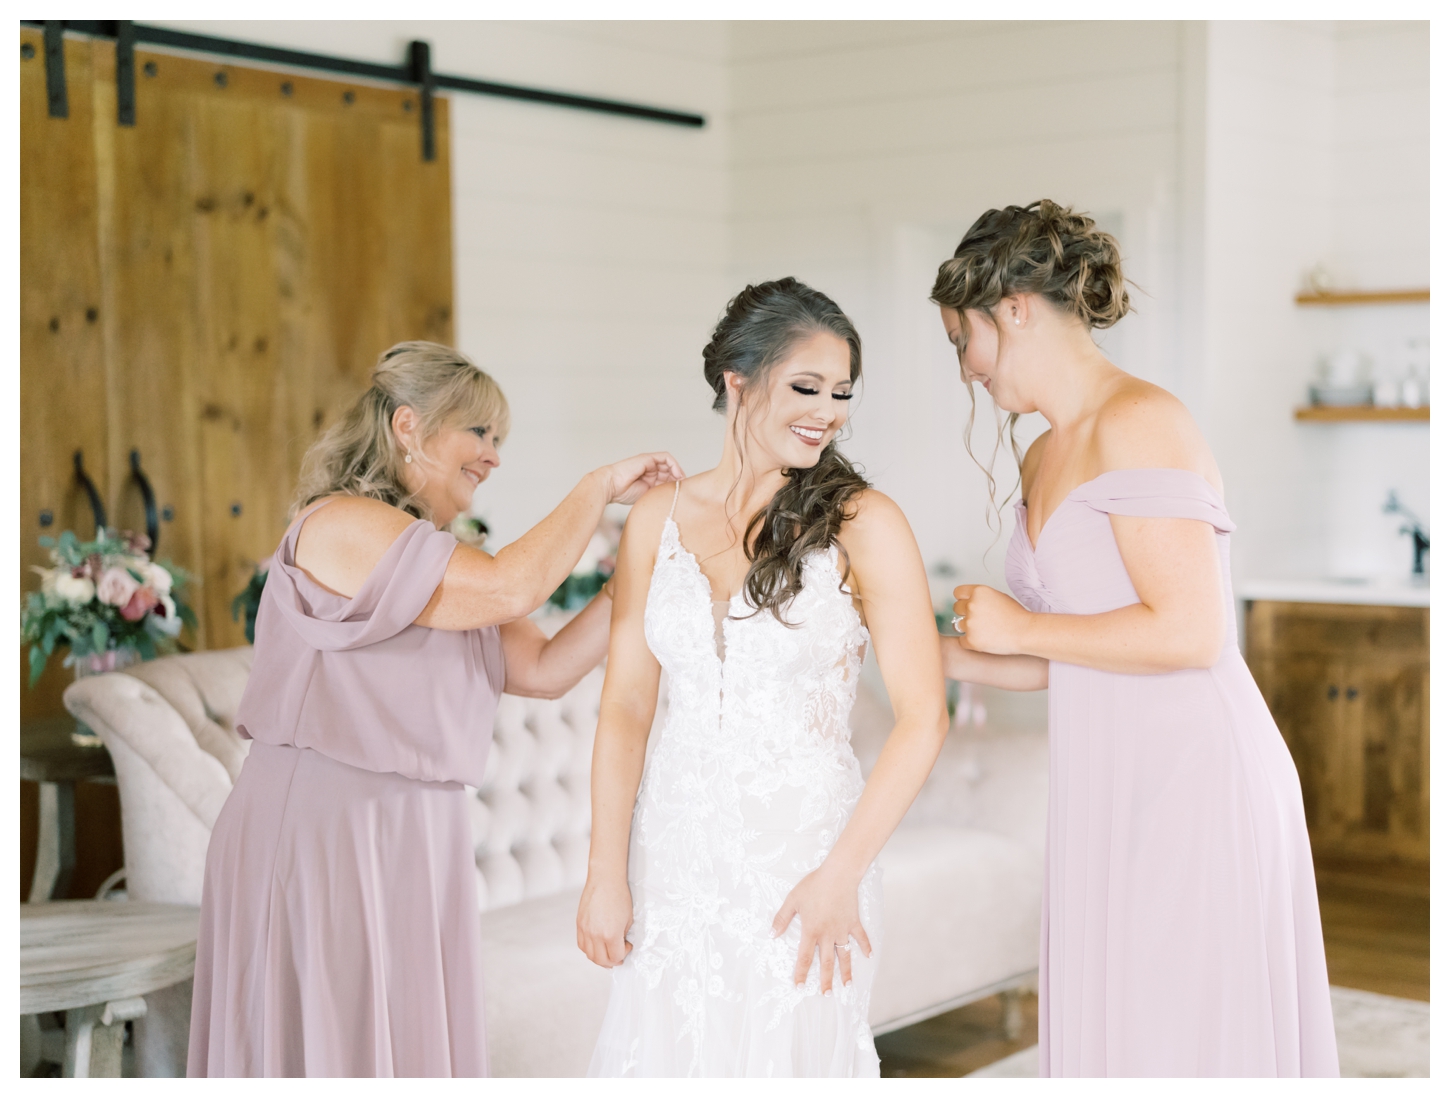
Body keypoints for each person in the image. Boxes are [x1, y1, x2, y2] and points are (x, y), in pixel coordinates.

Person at [187, 341, 682, 1077]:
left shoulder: (438, 557)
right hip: (324, 829)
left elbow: (545, 669)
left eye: (498, 440)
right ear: (409, 426)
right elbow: (512, 587)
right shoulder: (340, 524)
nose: (492, 457)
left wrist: (638, 570)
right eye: (478, 433)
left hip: (414, 835)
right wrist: (598, 486)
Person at [934, 201, 1339, 1077]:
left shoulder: (1143, 421)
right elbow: (1076, 654)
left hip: (1197, 776)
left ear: (1012, 309)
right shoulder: (1044, 454)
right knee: (1124, 1031)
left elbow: (1192, 633)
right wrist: (944, 654)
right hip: (1109, 779)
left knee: (1183, 1035)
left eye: (960, 338)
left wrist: (1019, 623)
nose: (964, 369)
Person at [577, 279, 949, 1077]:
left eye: (842, 391)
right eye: (806, 386)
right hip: (677, 854)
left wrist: (839, 875)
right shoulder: (655, 519)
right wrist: (606, 871)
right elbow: (626, 707)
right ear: (735, 382)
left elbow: (924, 719)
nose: (829, 410)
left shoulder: (864, 524)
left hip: (807, 858)